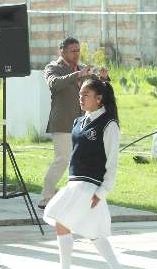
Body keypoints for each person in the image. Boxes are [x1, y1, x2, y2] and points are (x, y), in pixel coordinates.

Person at [43, 78, 131, 269]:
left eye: (85, 95)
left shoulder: (109, 124)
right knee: (94, 233)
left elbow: (112, 163)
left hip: (90, 187)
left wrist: (102, 192)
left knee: (61, 222)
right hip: (76, 183)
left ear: (99, 99)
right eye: (80, 94)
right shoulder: (78, 122)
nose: (80, 98)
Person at [41, 37, 109, 209]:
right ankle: (46, 197)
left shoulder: (83, 68)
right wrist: (78, 75)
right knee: (62, 159)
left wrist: (104, 78)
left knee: (80, 161)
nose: (77, 54)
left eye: (78, 50)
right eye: (73, 51)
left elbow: (100, 91)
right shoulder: (53, 67)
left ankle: (76, 197)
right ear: (61, 51)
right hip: (63, 121)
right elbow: (54, 84)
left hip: (84, 124)